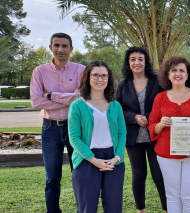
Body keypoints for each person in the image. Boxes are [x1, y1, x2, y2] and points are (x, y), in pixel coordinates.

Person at [148, 56, 190, 213]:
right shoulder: (160, 98)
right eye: (174, 70)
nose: (178, 74)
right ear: (168, 75)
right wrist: (160, 125)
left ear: (188, 74)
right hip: (166, 155)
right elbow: (152, 125)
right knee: (172, 195)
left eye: (182, 70)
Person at [30, 32, 85, 213]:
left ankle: (82, 210)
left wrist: (50, 95)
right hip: (50, 128)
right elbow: (36, 101)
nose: (60, 49)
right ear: (50, 47)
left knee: (79, 175)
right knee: (52, 177)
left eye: (64, 46)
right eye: (56, 45)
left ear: (71, 49)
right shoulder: (39, 71)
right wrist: (69, 98)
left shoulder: (81, 70)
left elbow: (82, 99)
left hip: (75, 127)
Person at [68, 60, 126, 212]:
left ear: (109, 78)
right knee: (88, 208)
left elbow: (122, 133)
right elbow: (74, 138)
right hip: (87, 159)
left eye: (104, 76)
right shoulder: (77, 105)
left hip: (113, 159)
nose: (100, 79)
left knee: (114, 208)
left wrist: (117, 157)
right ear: (88, 77)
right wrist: (93, 159)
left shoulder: (115, 105)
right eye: (96, 75)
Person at [116, 47, 167, 213]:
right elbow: (117, 110)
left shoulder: (157, 81)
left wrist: (149, 117)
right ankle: (140, 210)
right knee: (139, 175)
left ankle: (167, 209)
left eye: (140, 59)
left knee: (158, 175)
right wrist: (134, 117)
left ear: (146, 63)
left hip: (155, 134)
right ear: (128, 63)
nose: (136, 62)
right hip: (133, 137)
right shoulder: (123, 85)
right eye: (133, 59)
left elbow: (165, 104)